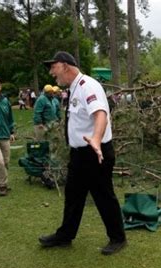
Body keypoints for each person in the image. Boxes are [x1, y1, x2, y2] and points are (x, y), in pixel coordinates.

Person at [39, 51, 126, 255]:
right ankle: (65, 235)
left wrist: (95, 138)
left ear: (66, 66)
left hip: (95, 153)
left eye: (54, 66)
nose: (51, 72)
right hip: (79, 154)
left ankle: (118, 238)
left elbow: (100, 114)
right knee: (73, 195)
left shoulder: (88, 86)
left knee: (103, 196)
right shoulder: (74, 88)